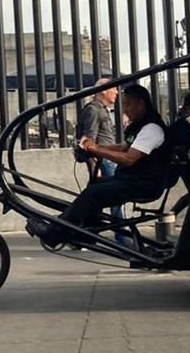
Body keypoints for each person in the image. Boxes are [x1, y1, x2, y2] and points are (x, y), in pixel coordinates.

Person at [27, 84, 170, 245]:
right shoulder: (142, 126)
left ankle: (54, 234)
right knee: (94, 185)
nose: (125, 110)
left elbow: (129, 158)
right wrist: (94, 148)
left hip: (142, 184)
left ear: (141, 104)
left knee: (92, 194)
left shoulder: (152, 128)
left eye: (128, 104)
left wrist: (96, 149)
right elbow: (123, 147)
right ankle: (87, 230)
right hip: (133, 180)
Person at [77, 79, 123, 242]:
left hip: (107, 158)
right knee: (116, 195)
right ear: (103, 91)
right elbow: (89, 140)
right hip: (104, 160)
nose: (117, 92)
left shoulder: (101, 110)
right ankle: (121, 235)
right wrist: (95, 165)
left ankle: (87, 231)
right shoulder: (93, 110)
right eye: (114, 89)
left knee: (98, 198)